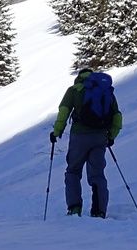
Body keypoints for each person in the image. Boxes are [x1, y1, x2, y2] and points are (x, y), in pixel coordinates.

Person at [50, 68, 123, 217]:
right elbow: (117, 115)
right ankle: (99, 211)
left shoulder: (74, 90)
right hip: (100, 137)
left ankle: (74, 208)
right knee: (97, 174)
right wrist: (111, 136)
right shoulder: (105, 90)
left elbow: (64, 111)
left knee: (73, 171)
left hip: (79, 137)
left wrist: (56, 132)